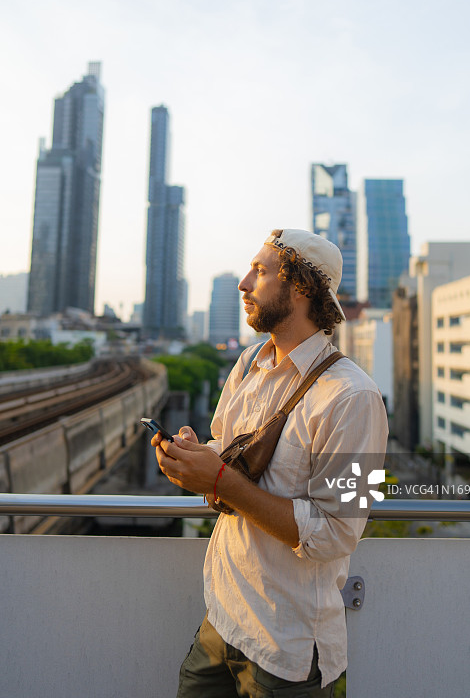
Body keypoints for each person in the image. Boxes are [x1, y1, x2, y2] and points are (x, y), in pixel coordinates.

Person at [152, 228, 389, 697]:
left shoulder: (358, 398)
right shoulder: (247, 364)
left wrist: (219, 479)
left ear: (300, 287)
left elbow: (342, 532)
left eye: (260, 272)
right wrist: (195, 458)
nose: (244, 283)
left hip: (287, 649)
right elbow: (225, 450)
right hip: (221, 617)